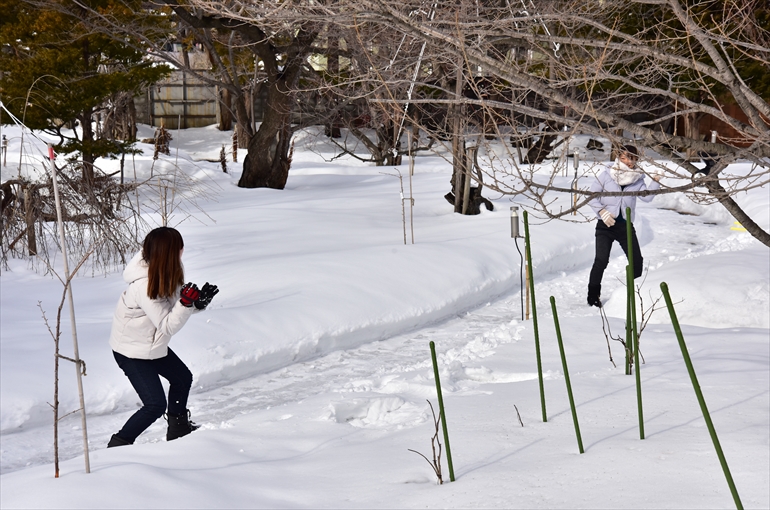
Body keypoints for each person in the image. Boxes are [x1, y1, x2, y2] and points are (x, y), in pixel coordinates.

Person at [107, 227, 219, 447]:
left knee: (182, 378)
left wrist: (196, 303)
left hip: (151, 345)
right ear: (169, 252)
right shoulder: (144, 285)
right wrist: (186, 304)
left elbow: (175, 305)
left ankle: (178, 428)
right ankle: (118, 445)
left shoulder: (166, 269)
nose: (182, 250)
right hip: (131, 351)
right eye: (179, 247)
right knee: (155, 405)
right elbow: (167, 324)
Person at [587, 144, 661, 307]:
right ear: (619, 157)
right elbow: (592, 196)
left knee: (636, 261)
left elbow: (647, 197)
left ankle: (632, 295)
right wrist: (602, 212)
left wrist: (655, 182)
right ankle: (593, 297)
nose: (628, 161)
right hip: (605, 225)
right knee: (601, 260)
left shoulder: (638, 178)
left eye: (632, 158)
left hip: (625, 226)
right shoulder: (606, 174)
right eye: (624, 158)